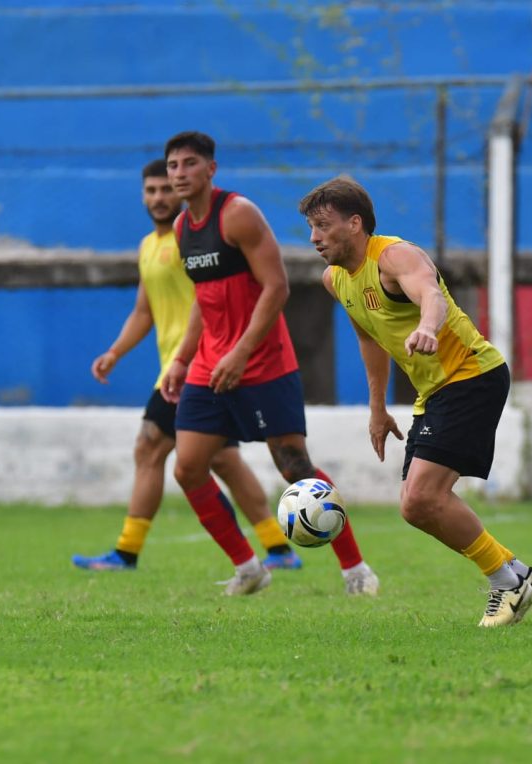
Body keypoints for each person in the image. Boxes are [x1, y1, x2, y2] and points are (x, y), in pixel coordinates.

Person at [298, 175, 532, 627]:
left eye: (322, 225)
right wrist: (377, 408)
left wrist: (429, 327)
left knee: (422, 498)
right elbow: (368, 338)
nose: (313, 238)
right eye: (311, 228)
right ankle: (515, 573)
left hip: (471, 375)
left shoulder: (394, 256)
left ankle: (507, 583)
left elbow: (430, 293)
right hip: (434, 391)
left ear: (355, 224)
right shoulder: (335, 279)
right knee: (416, 506)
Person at [160, 132, 378, 597]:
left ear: (210, 170)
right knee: (188, 468)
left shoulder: (237, 214)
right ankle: (248, 567)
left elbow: (276, 287)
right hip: (208, 366)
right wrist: (182, 358)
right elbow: (204, 297)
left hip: (263, 363)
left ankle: (355, 569)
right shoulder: (182, 228)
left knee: (295, 466)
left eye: (189, 164)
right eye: (172, 165)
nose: (179, 173)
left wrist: (240, 352)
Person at [72, 159, 303, 573]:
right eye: (151, 191)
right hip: (185, 366)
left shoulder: (195, 238)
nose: (159, 198)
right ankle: (278, 549)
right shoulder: (149, 246)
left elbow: (215, 295)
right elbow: (143, 311)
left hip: (201, 364)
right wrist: (115, 352)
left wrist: (199, 354)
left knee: (150, 446)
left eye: (166, 189)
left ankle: (126, 552)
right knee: (221, 460)